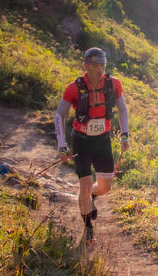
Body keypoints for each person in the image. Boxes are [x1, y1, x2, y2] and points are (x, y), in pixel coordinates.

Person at [54, 47, 130, 245]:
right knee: (86, 185)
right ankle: (88, 227)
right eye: (95, 65)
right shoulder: (74, 88)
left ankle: (91, 198)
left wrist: (124, 135)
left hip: (103, 140)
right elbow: (59, 115)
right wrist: (62, 145)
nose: (99, 69)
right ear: (85, 66)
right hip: (82, 141)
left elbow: (122, 110)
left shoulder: (114, 84)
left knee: (105, 187)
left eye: (102, 65)